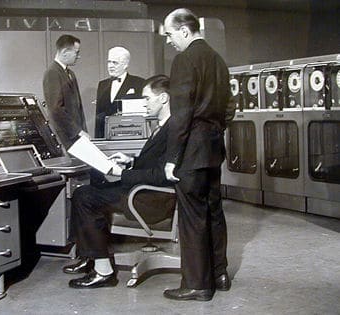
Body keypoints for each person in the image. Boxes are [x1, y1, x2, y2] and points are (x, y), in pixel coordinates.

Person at [64, 75, 175, 289]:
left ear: (163, 98)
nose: (144, 104)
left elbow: (162, 174)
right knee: (90, 189)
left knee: (84, 196)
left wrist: (121, 173)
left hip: (150, 198)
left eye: (147, 99)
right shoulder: (163, 125)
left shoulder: (172, 129)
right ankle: (93, 257)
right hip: (144, 190)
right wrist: (130, 161)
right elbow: (153, 163)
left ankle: (102, 270)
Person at [161, 8, 231, 301]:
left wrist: (171, 157)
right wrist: (212, 132)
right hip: (213, 150)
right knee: (213, 211)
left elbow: (181, 114)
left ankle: (197, 284)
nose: (168, 41)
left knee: (191, 217)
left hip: (191, 150)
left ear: (184, 31)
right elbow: (229, 109)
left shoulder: (184, 59)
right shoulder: (218, 60)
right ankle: (219, 274)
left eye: (169, 34)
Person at [43, 34, 88, 149]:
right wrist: (77, 131)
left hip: (75, 136)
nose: (78, 56)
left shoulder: (70, 73)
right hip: (64, 137)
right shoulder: (52, 73)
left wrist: (82, 131)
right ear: (65, 52)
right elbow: (56, 109)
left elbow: (78, 108)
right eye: (76, 52)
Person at [94, 46, 145, 138]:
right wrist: (98, 139)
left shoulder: (139, 83)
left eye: (115, 62)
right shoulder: (102, 85)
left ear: (125, 65)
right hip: (107, 136)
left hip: (130, 135)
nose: (110, 66)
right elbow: (99, 117)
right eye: (109, 62)